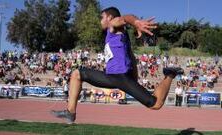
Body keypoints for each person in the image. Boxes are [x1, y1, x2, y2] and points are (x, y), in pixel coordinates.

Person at [51, 7, 184, 124]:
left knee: (156, 104)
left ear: (109, 17)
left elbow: (126, 18)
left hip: (119, 77)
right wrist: (135, 77)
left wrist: (136, 22)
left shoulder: (113, 25)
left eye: (101, 17)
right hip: (112, 77)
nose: (100, 20)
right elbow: (131, 56)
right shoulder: (118, 35)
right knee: (76, 74)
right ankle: (70, 112)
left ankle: (170, 74)